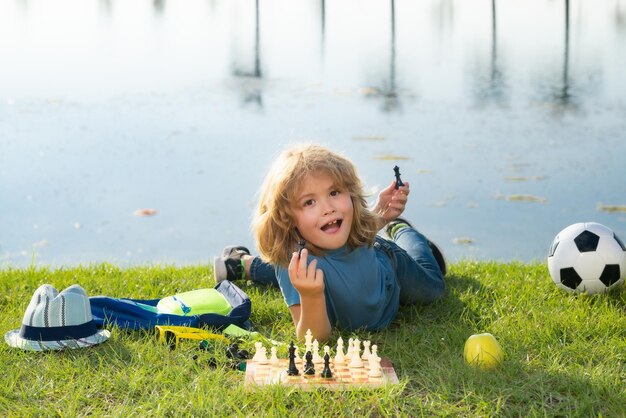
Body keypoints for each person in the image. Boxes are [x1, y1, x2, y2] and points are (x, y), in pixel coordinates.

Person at [214, 144, 446, 341]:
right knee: (306, 276)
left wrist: (382, 216)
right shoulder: (291, 261)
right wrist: (311, 296)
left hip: (389, 268)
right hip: (323, 270)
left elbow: (359, 233)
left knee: (435, 288)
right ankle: (242, 264)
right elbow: (312, 339)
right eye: (309, 202)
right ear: (287, 217)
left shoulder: (345, 227)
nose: (328, 207)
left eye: (334, 192)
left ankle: (401, 229)